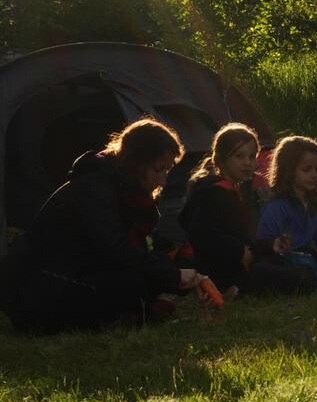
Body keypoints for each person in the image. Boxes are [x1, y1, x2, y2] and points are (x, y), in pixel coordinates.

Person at [0, 118, 211, 334]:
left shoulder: (124, 187)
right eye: (159, 170)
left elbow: (139, 250)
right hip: (34, 286)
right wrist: (174, 276)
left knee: (143, 278)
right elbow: (114, 249)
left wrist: (182, 275)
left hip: (79, 268)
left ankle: (129, 311)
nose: (164, 181)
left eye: (167, 171)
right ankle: (125, 313)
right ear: (137, 165)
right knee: (132, 284)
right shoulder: (96, 187)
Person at [180, 124, 316, 296]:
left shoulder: (236, 191)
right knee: (298, 280)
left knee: (301, 255)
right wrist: (237, 250)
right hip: (223, 271)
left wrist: (271, 245)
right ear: (221, 159)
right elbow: (199, 233)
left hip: (242, 263)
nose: (247, 163)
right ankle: (235, 289)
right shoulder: (212, 191)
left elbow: (243, 238)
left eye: (252, 157)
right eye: (239, 156)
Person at [256, 136, 317, 275]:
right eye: (307, 170)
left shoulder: (309, 203)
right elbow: (264, 242)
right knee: (308, 256)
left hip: (307, 257)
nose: (314, 175)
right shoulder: (277, 206)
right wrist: (280, 245)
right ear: (289, 171)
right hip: (287, 260)